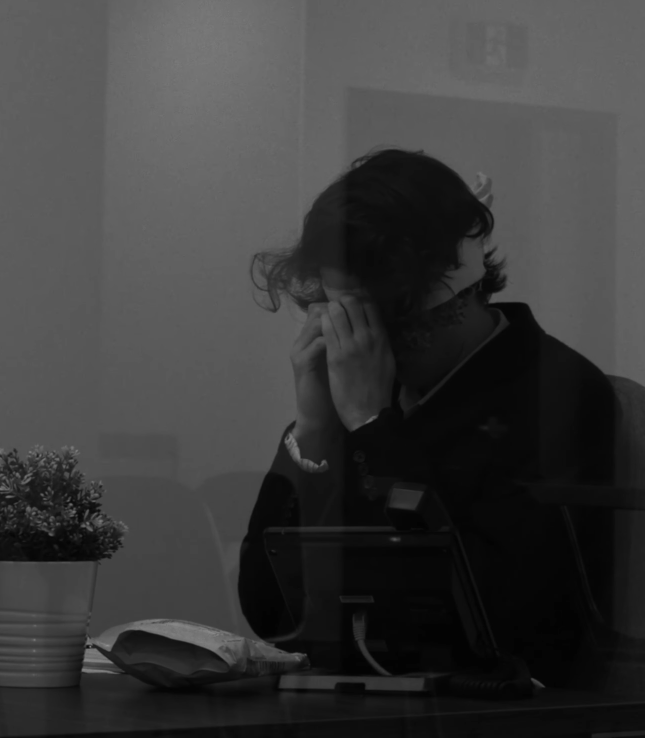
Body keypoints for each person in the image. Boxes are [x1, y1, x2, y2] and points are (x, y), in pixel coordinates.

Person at [238, 148, 619, 690]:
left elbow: (495, 621)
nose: (357, 340)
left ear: (456, 294)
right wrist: (314, 434)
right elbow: (271, 614)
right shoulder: (361, 390)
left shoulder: (556, 392)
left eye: (377, 316)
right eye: (340, 312)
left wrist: (374, 429)